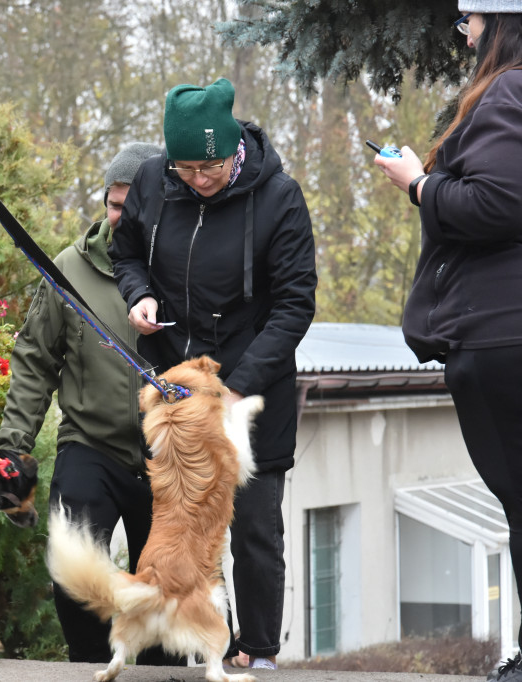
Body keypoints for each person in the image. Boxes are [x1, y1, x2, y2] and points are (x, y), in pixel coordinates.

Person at [109, 78, 316, 670]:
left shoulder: (279, 197)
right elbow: (124, 252)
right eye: (186, 168)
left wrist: (239, 385)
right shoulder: (152, 181)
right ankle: (207, 643)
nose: (198, 179)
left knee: (252, 521)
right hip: (175, 380)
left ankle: (259, 647)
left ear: (234, 150)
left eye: (210, 166)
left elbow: (295, 303)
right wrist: (139, 293)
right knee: (180, 518)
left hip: (252, 385)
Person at [373, 5, 522, 681]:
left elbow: (494, 203)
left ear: (500, 23)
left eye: (468, 18)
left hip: (499, 335)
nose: (462, 33)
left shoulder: (508, 90)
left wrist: (420, 183)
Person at [0, 142, 171, 663]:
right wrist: (12, 447)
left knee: (166, 595)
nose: (119, 217)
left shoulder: (184, 266)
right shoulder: (67, 269)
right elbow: (34, 359)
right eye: (112, 205)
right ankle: (90, 668)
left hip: (166, 456)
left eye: (131, 207)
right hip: (91, 443)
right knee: (73, 570)